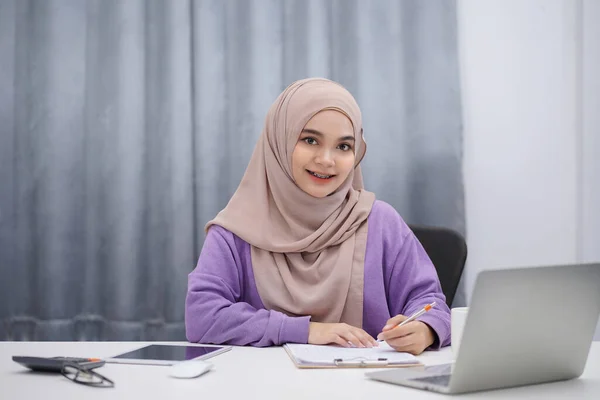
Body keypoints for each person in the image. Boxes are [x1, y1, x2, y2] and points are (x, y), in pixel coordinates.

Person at [185, 78, 450, 355]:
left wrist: (425, 328)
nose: (327, 159)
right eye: (310, 140)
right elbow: (203, 316)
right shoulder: (236, 230)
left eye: (344, 146)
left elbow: (429, 301)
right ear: (279, 141)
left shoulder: (379, 221)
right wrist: (307, 331)